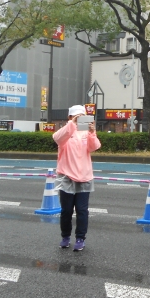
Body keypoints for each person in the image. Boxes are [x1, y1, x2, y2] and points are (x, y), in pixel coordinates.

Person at [53, 105, 101, 251]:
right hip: (67, 176)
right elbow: (57, 138)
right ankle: (65, 236)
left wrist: (93, 133)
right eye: (77, 116)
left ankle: (80, 238)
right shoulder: (65, 133)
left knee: (82, 210)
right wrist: (72, 124)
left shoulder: (86, 133)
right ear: (70, 117)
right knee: (66, 210)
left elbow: (95, 147)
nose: (80, 119)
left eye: (82, 116)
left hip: (84, 177)